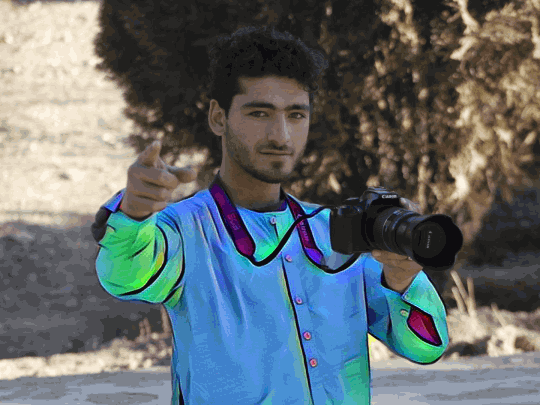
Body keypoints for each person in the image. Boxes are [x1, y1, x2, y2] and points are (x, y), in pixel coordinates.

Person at [91, 25, 448, 405]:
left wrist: (403, 276)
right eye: (259, 113)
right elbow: (123, 278)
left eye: (296, 115)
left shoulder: (336, 232)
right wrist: (134, 213)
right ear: (218, 117)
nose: (281, 136)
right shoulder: (183, 230)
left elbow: (426, 346)